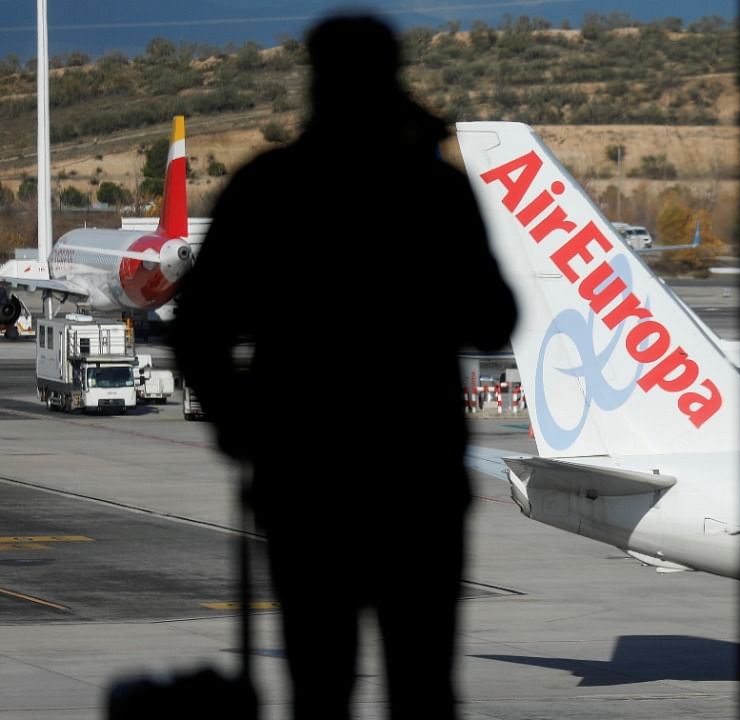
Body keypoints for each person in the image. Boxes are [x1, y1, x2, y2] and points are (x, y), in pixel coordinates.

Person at [170, 14, 516, 719]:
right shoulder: (433, 191)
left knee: (318, 686)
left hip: (306, 482)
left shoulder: (269, 188)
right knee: (422, 688)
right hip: (414, 481)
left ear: (316, 81)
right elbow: (494, 320)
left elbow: (198, 328)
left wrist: (240, 424)